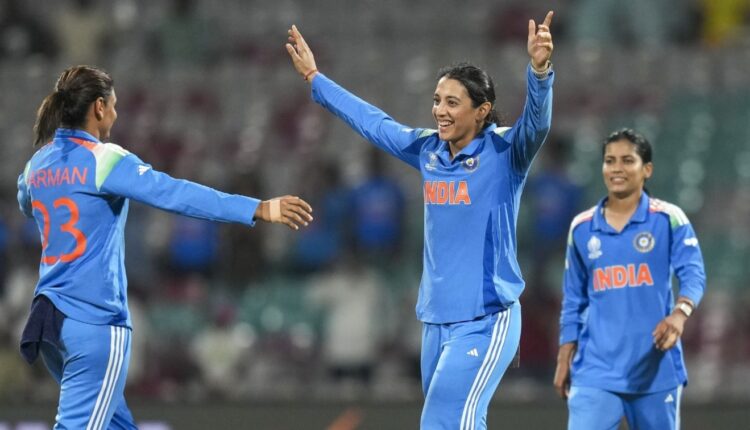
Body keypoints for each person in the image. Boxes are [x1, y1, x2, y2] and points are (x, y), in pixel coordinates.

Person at [286, 11, 555, 429]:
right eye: (436, 100)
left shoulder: (505, 152)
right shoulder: (428, 150)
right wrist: (316, 80)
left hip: (485, 319)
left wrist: (539, 73)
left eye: (452, 102)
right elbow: (374, 124)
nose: (439, 111)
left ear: (482, 110)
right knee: (463, 421)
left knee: (440, 423)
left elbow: (536, 126)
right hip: (435, 321)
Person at [16, 65, 313, 429]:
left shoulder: (37, 165)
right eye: (113, 106)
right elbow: (174, 193)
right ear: (98, 107)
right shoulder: (103, 159)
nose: (116, 114)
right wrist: (255, 208)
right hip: (94, 320)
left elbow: (26, 201)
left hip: (50, 322)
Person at [553, 129, 706, 429]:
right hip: (595, 371)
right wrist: (564, 356)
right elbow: (573, 299)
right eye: (609, 161)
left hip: (654, 370)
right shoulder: (582, 227)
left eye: (627, 160)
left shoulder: (668, 218)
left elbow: (693, 273)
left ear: (647, 169)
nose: (617, 168)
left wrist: (680, 314)